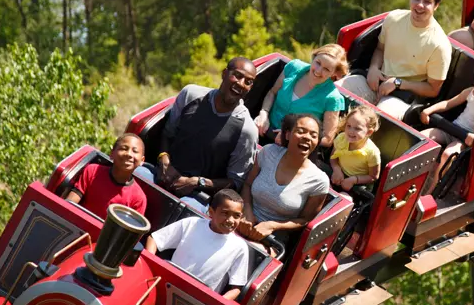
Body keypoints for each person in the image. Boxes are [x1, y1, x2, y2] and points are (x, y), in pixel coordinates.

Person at [338, 0, 452, 120]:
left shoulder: (439, 45)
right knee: (335, 92)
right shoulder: (394, 18)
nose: (420, 5)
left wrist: (398, 83)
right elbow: (380, 49)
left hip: (403, 96)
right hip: (375, 82)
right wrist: (373, 68)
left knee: (374, 120)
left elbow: (433, 89)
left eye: (427, 2)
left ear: (436, 6)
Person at [144, 58, 259, 198]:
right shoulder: (190, 94)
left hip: (197, 197)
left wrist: (197, 183)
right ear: (224, 74)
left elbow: (235, 182)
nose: (241, 84)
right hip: (162, 175)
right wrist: (163, 160)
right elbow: (168, 133)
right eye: (237, 75)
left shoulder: (247, 130)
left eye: (248, 82)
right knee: (136, 174)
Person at [241, 114, 330, 249]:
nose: (307, 137)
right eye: (301, 131)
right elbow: (247, 184)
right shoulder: (268, 152)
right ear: (287, 135)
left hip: (273, 238)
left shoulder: (319, 181)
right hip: (243, 219)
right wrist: (247, 210)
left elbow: (304, 220)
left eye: (313, 135)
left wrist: (273, 225)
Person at [418, 58, 474, 194]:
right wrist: (429, 110)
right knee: (422, 138)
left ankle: (431, 190)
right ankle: (417, 176)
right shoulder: (470, 92)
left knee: (448, 154)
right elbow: (448, 103)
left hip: (464, 138)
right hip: (452, 128)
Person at [145, 189, 249, 301]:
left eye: (236, 216)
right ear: (211, 212)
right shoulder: (192, 223)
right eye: (225, 213)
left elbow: (237, 287)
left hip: (198, 302)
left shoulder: (239, 247)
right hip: (165, 283)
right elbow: (154, 239)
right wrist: (151, 268)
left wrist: (218, 303)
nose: (230, 220)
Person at [254, 44, 348, 148]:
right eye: (318, 63)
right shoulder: (293, 67)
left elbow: (327, 139)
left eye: (326, 69)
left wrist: (295, 136)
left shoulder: (333, 98)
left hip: (293, 148)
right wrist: (264, 113)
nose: (318, 71)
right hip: (264, 130)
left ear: (334, 73)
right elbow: (272, 92)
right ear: (314, 57)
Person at [66, 134, 148, 218]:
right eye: (124, 149)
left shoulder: (138, 198)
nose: (129, 154)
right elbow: (69, 204)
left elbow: (128, 230)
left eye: (135, 151)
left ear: (142, 161)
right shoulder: (92, 171)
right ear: (112, 153)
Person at [330, 106, 382, 193]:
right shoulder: (341, 138)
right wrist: (336, 169)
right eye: (348, 126)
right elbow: (333, 157)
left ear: (369, 132)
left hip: (358, 186)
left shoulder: (372, 152)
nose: (350, 131)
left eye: (357, 128)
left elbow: (373, 177)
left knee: (345, 198)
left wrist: (354, 180)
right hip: (339, 174)